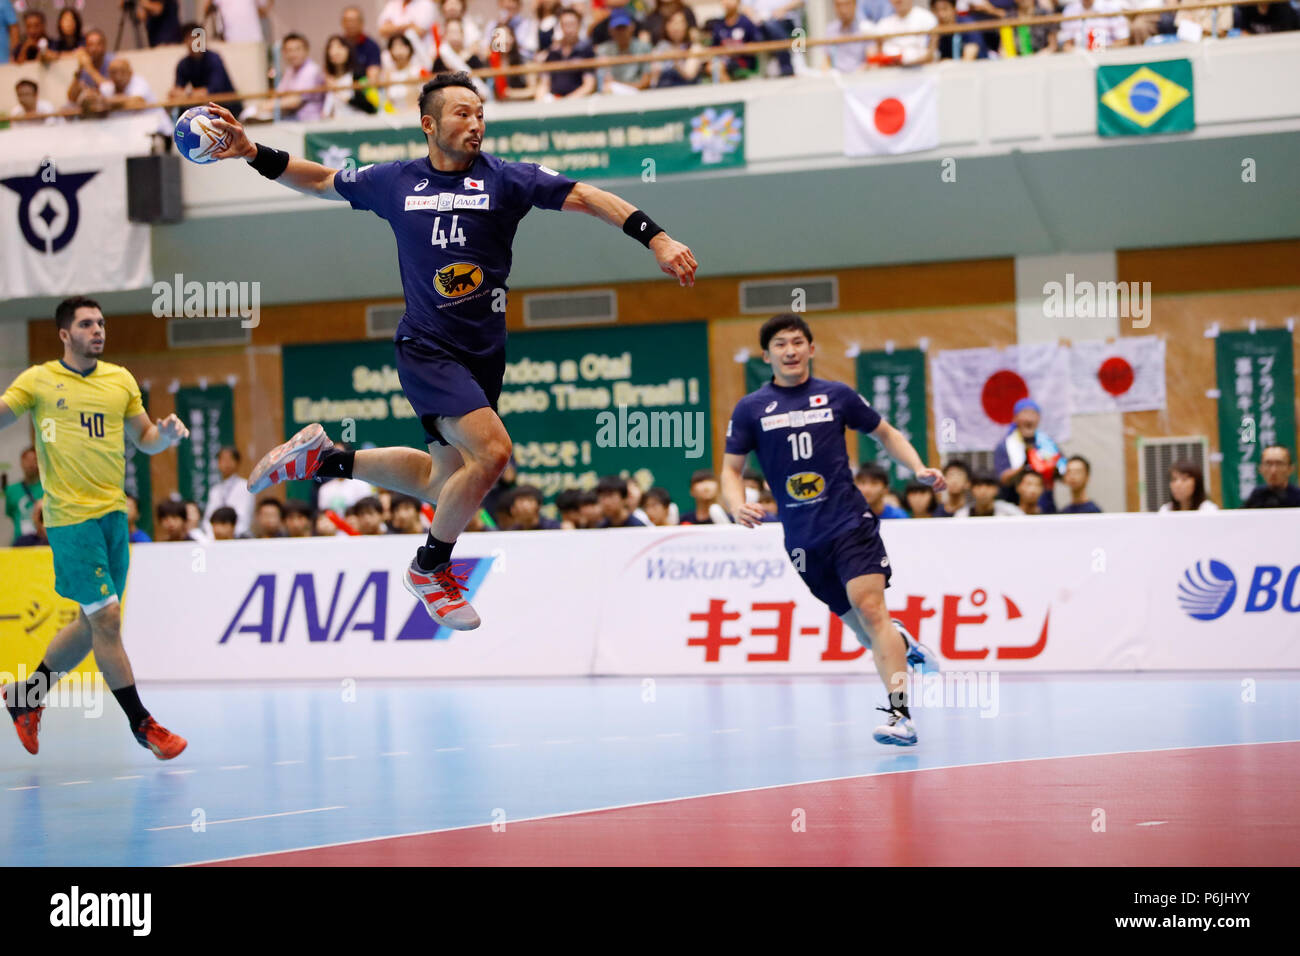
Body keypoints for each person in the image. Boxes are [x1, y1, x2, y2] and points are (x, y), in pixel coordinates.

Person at [206, 72, 695, 630]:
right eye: (463, 113)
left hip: (484, 354)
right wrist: (250, 151)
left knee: (443, 482)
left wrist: (656, 237)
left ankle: (325, 460)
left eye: (481, 113)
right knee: (493, 454)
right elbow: (319, 180)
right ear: (429, 125)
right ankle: (429, 566)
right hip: (426, 347)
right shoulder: (394, 182)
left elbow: (585, 195)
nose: (476, 124)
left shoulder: (508, 180)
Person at [721, 314, 942, 747]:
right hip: (802, 538)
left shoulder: (836, 396)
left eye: (798, 342)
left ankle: (901, 716)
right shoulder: (750, 409)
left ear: (811, 348)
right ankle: (904, 644)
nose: (790, 350)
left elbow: (886, 433)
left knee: (871, 608)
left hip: (848, 523)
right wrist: (735, 504)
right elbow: (731, 469)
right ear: (767, 356)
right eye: (781, 344)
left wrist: (918, 468)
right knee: (863, 630)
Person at [0, 297, 189, 760]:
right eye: (86, 324)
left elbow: (143, 439)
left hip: (113, 517)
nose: (97, 330)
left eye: (101, 323)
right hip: (68, 519)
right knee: (106, 619)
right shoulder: (39, 381)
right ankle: (142, 724)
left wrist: (161, 436)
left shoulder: (119, 380)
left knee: (91, 624)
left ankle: (26, 697)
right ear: (65, 334)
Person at [994, 397, 1063, 514]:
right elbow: (1002, 478)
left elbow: (1062, 471)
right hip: (1014, 507)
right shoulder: (1005, 445)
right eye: (1025, 413)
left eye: (1033, 414)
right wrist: (1027, 464)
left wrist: (1051, 467)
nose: (1029, 418)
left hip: (1046, 506)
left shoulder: (1048, 444)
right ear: (1015, 418)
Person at [172, 22, 242, 117]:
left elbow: (212, 91)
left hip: (226, 106)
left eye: (197, 37)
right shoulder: (183, 64)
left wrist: (187, 93)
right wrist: (189, 94)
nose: (194, 42)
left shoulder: (214, 58)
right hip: (203, 109)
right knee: (182, 111)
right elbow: (175, 92)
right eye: (190, 38)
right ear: (184, 41)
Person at [536, 7, 595, 101]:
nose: (569, 29)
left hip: (578, 101)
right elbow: (544, 83)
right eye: (565, 24)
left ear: (579, 25)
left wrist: (565, 102)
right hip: (553, 100)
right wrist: (539, 101)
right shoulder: (552, 52)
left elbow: (588, 85)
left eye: (572, 24)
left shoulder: (586, 51)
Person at [202, 445, 254, 536]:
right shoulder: (215, 490)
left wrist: (229, 534)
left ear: (237, 463)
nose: (226, 463)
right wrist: (213, 535)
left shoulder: (246, 487)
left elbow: (244, 518)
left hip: (238, 537)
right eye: (222, 460)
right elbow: (208, 518)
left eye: (230, 460)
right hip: (215, 538)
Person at [596, 10, 653, 93]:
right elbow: (603, 82)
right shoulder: (603, 50)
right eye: (617, 28)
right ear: (610, 30)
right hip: (612, 93)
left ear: (632, 27)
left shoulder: (643, 47)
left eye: (623, 27)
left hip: (637, 93)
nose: (621, 32)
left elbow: (645, 82)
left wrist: (619, 85)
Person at [649, 9, 705, 88]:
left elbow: (689, 75)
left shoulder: (694, 47)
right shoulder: (660, 47)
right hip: (663, 91)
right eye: (671, 23)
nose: (676, 27)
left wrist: (675, 60)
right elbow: (654, 80)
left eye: (679, 23)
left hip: (687, 90)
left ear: (686, 25)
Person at [5, 445, 43, 545]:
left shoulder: (48, 488)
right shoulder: (11, 490)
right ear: (21, 463)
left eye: (34, 460)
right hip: (20, 542)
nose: (31, 464)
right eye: (27, 460)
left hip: (43, 541)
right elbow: (11, 513)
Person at [825, 0, 872, 71]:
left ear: (855, 4)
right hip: (836, 78)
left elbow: (871, 60)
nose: (843, 9)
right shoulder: (830, 30)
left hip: (860, 77)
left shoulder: (866, 28)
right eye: (839, 5)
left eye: (847, 4)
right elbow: (826, 62)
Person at [954, 472, 1023, 517]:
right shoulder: (962, 515)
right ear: (971, 489)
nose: (983, 491)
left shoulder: (1010, 512)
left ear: (997, 489)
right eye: (978, 485)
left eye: (988, 485)